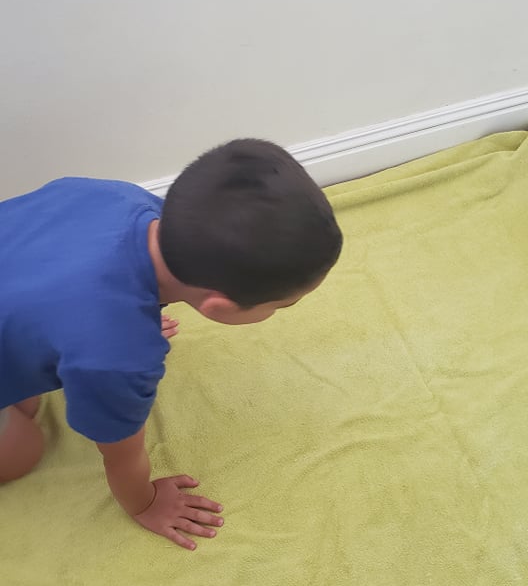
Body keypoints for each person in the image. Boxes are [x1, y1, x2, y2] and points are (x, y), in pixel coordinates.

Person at [0, 139, 343, 548]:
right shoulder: (122, 357)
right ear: (219, 308)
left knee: (29, 396)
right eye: (280, 306)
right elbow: (120, 453)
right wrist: (144, 503)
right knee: (23, 448)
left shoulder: (114, 195)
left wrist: (124, 316)